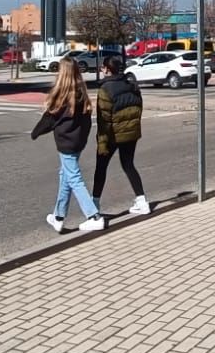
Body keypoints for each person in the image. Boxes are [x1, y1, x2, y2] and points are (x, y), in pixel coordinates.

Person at [30, 59, 103, 232]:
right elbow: (86, 122)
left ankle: (93, 216)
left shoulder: (62, 96)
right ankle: (58, 216)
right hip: (78, 142)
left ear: (62, 73)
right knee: (66, 176)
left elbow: (49, 119)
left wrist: (35, 132)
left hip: (66, 143)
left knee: (74, 178)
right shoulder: (81, 93)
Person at [94, 57, 150, 215]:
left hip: (112, 134)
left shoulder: (106, 89)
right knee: (128, 165)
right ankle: (142, 202)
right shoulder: (131, 84)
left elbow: (103, 120)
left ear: (107, 69)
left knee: (101, 168)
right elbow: (138, 108)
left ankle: (94, 206)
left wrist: (102, 143)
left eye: (102, 67)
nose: (101, 70)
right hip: (131, 134)